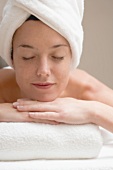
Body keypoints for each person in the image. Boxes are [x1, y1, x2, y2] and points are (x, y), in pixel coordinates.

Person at [0, 1, 113, 133]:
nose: (43, 71)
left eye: (57, 56)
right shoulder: (2, 86)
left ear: (72, 58)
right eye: (28, 57)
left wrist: (93, 111)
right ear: (12, 58)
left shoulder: (86, 89)